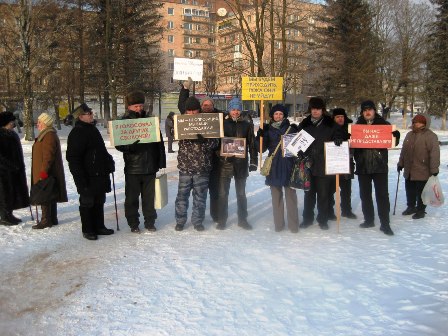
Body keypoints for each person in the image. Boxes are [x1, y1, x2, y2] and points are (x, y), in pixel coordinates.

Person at [115, 91, 166, 233]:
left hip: (150, 167)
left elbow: (159, 144)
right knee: (131, 199)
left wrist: (160, 162)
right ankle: (133, 223)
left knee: (149, 198)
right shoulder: (123, 121)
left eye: (140, 105)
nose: (139, 109)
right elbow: (119, 145)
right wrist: (131, 147)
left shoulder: (150, 121)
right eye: (136, 106)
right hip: (133, 168)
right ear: (129, 107)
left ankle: (150, 221)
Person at [66, 103, 115, 240]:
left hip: (99, 174)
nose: (92, 115)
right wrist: (80, 178)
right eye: (89, 114)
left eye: (91, 113)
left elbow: (101, 151)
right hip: (87, 176)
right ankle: (88, 229)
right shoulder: (77, 133)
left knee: (99, 200)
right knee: (88, 203)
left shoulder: (92, 129)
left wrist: (109, 161)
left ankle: (99, 226)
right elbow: (74, 158)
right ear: (81, 117)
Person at [177, 77, 222, 224]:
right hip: (185, 167)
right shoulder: (182, 122)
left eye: (194, 110)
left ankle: (198, 221)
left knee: (200, 197)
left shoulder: (207, 122)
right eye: (188, 110)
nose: (191, 113)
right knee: (182, 196)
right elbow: (180, 108)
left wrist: (205, 142)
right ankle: (180, 221)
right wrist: (185, 89)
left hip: (202, 167)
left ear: (199, 109)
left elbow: (215, 143)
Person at [353, 100, 400, 236]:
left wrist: (396, 136)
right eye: (365, 110)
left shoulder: (384, 125)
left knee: (382, 196)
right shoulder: (357, 127)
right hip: (363, 166)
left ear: (374, 111)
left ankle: (385, 224)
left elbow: (392, 141)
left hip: (379, 166)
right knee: (365, 195)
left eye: (370, 109)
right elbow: (351, 143)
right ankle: (369, 220)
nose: (367, 112)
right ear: (362, 112)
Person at [298, 97, 344, 230]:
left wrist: (338, 139)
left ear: (322, 110)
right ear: (310, 110)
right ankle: (307, 218)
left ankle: (322, 219)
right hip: (308, 164)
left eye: (318, 109)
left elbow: (338, 134)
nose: (315, 111)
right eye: (313, 109)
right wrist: (300, 152)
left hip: (324, 163)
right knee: (309, 194)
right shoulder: (305, 124)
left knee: (323, 194)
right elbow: (298, 141)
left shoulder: (331, 124)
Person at [216, 97, 258, 230]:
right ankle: (222, 219)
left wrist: (254, 162)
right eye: (233, 109)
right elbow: (216, 143)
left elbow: (252, 145)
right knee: (223, 194)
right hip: (225, 163)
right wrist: (220, 154)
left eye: (238, 109)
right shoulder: (222, 123)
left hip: (241, 164)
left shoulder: (247, 125)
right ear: (229, 110)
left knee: (241, 194)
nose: (235, 112)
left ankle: (242, 219)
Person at [256, 104, 300, 232]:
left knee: (291, 197)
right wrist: (260, 136)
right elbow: (261, 149)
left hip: (289, 164)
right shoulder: (268, 129)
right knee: (276, 198)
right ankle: (279, 225)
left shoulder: (291, 128)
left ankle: (293, 225)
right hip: (274, 165)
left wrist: (298, 132)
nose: (278, 116)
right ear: (272, 115)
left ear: (284, 115)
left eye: (281, 114)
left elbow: (299, 146)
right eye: (276, 114)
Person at [398, 114, 440, 219]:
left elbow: (434, 153)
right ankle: (411, 207)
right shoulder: (409, 135)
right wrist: (400, 163)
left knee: (421, 192)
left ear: (425, 123)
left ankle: (421, 210)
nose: (416, 123)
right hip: (409, 169)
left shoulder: (431, 136)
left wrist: (434, 169)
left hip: (423, 169)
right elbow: (404, 151)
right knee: (410, 189)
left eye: (419, 122)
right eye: (415, 121)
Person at [31, 113, 68, 229]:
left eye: (40, 122)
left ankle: (46, 220)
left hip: (46, 172)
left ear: (46, 123)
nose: (38, 124)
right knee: (49, 193)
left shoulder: (49, 135)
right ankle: (52, 218)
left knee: (45, 194)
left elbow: (48, 156)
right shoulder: (46, 134)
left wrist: (43, 173)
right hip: (46, 171)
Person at [0, 112, 30, 226]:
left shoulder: (11, 134)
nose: (13, 124)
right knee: (4, 194)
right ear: (5, 123)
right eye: (11, 122)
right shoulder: (1, 135)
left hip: (14, 171)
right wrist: (11, 166)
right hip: (3, 172)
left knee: (12, 193)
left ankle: (9, 214)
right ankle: (4, 216)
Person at [330, 108, 357, 219]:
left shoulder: (350, 129)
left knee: (346, 190)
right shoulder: (329, 129)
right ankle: (329, 211)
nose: (340, 119)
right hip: (332, 163)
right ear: (333, 118)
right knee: (330, 189)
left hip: (347, 162)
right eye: (337, 117)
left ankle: (346, 210)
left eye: (342, 116)